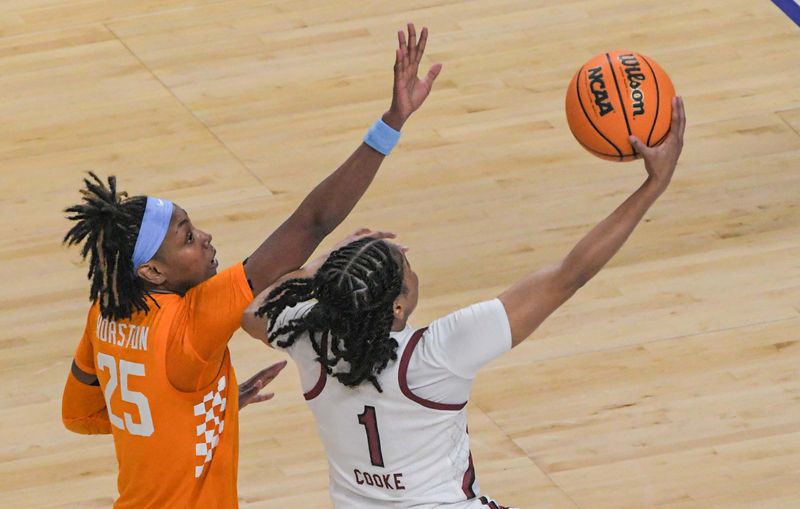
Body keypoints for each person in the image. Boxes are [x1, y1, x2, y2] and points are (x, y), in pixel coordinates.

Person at [60, 23, 441, 509]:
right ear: (152, 272)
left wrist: (183, 405)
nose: (206, 238)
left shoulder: (105, 312)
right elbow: (312, 223)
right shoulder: (191, 324)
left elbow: (79, 415)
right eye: (188, 238)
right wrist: (390, 124)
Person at [241, 98, 687, 508]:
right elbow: (569, 275)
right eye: (406, 268)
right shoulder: (437, 355)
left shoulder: (306, 338)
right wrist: (654, 185)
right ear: (399, 306)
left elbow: (252, 307)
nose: (412, 266)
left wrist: (325, 266)